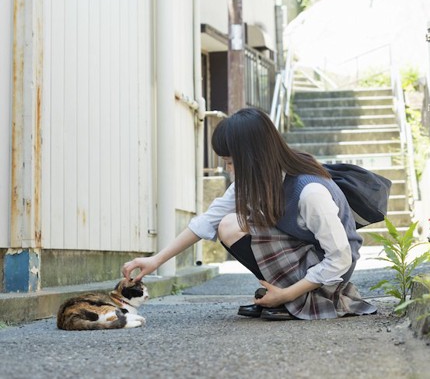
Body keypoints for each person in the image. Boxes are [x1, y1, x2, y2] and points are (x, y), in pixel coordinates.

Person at [122, 107, 377, 320]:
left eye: (231, 162)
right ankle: (279, 293)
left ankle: (291, 297)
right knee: (229, 224)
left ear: (253, 157)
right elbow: (208, 220)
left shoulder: (309, 191)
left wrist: (287, 296)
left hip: (331, 270)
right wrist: (156, 260)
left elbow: (340, 258)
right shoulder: (256, 181)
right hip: (303, 254)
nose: (228, 169)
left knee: (235, 223)